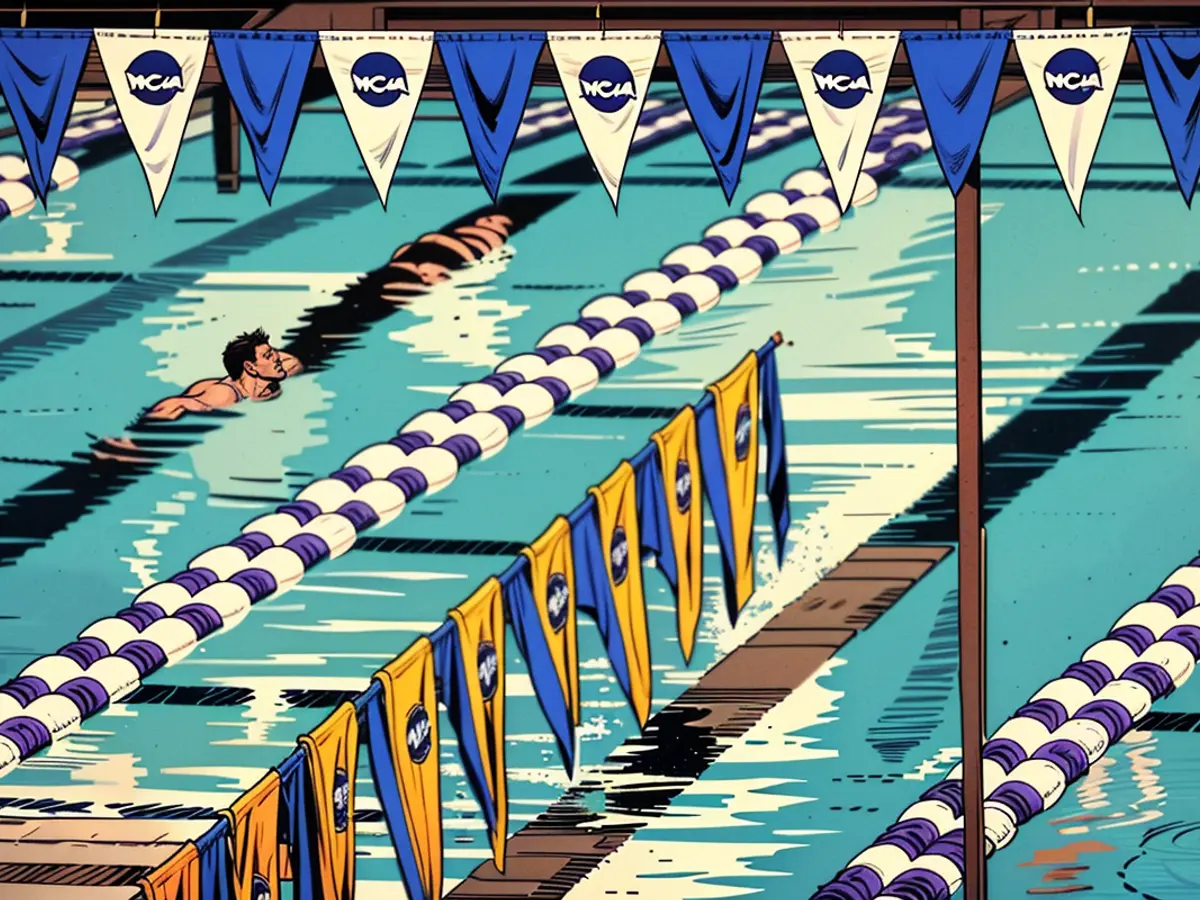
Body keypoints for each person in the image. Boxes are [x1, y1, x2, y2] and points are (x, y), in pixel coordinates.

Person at [143, 328, 303, 421]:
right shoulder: (226, 395)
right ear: (250, 367)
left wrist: (267, 354)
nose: (277, 358)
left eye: (274, 352)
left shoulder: (272, 377)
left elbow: (294, 362)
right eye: (269, 356)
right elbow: (180, 403)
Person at [380, 213, 512, 301]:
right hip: (440, 250)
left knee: (412, 269)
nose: (481, 220)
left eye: (490, 220)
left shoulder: (494, 237)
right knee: (411, 269)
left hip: (449, 251)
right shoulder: (482, 236)